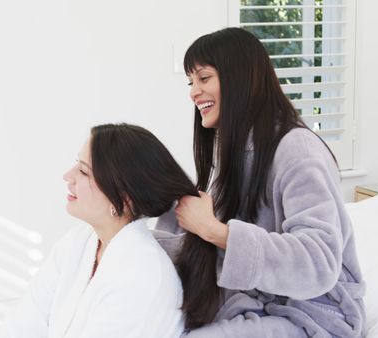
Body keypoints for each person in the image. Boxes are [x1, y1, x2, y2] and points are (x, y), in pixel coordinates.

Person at [153, 27, 366, 338]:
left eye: (204, 78)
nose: (193, 92)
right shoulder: (236, 152)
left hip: (318, 315)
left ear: (239, 78)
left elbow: (317, 263)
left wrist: (215, 231)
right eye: (191, 81)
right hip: (256, 302)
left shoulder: (298, 150)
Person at [0, 123, 193, 338]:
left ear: (124, 198)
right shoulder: (77, 243)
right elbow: (24, 324)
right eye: (76, 164)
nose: (68, 176)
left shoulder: (143, 275)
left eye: (84, 171)